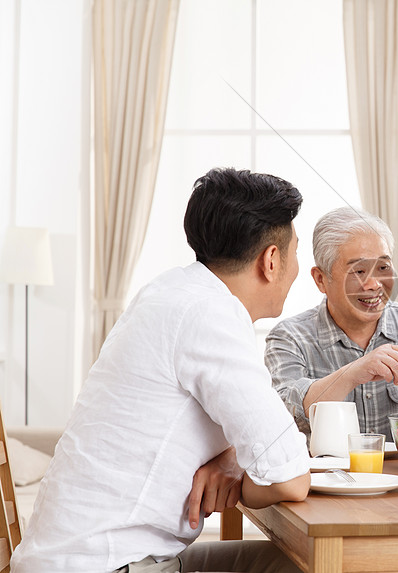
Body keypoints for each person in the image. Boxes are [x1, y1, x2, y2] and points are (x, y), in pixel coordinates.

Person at [12, 168, 311, 573]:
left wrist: (234, 460)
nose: (296, 269)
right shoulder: (211, 316)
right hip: (109, 564)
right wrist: (248, 464)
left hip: (76, 556)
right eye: (295, 251)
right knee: (311, 564)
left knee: (288, 562)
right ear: (271, 260)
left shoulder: (172, 292)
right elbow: (290, 478)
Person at [266, 207, 398, 441]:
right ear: (321, 279)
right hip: (322, 478)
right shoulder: (289, 338)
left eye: (383, 267)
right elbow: (283, 417)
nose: (374, 284)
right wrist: (352, 374)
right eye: (359, 271)